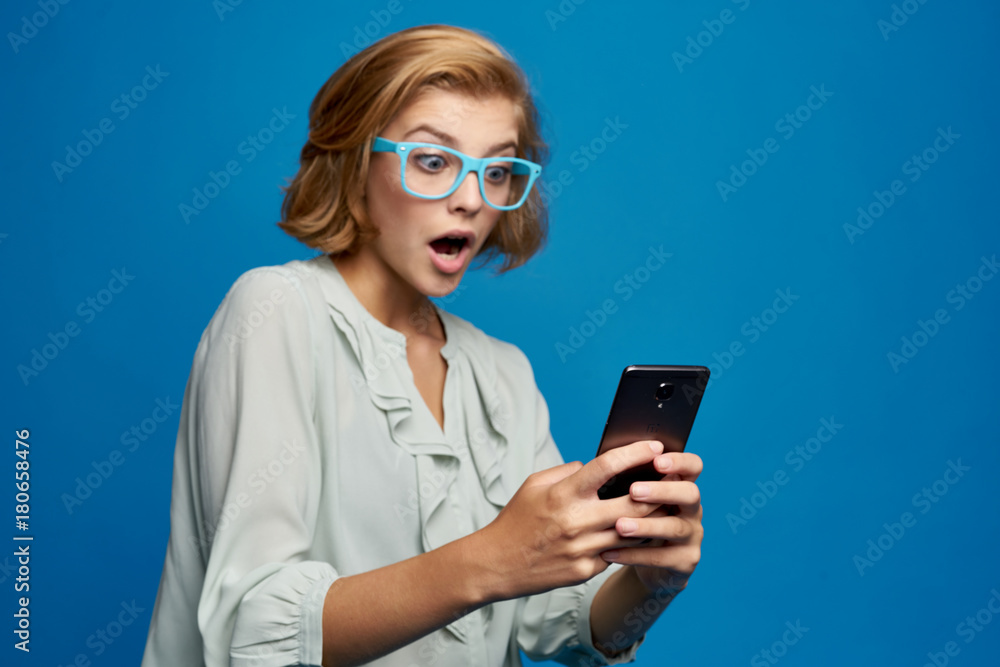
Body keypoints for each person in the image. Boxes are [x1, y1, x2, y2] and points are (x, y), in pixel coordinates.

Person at [141, 24, 704, 667]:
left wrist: (649, 583)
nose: (470, 199)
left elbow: (558, 622)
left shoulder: (502, 372)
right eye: (433, 160)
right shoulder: (274, 311)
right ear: (356, 165)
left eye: (497, 169)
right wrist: (490, 560)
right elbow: (257, 627)